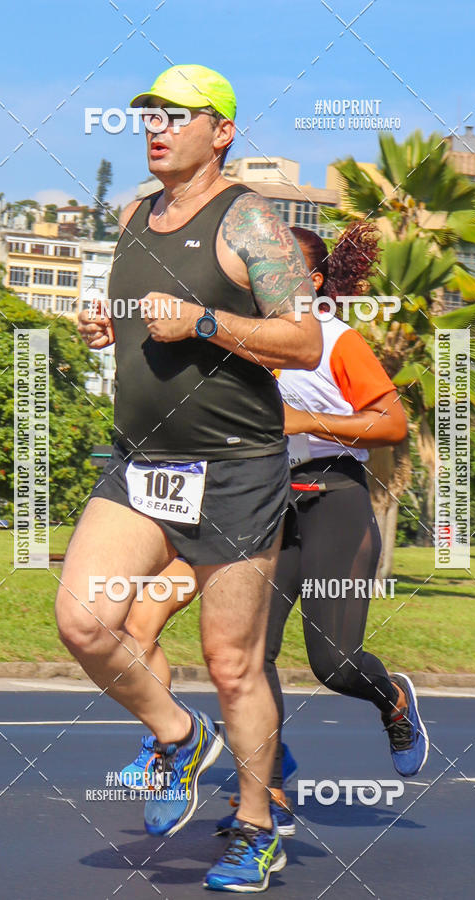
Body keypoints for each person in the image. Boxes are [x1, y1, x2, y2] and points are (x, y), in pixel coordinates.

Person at [56, 63, 322, 893]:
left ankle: (255, 827)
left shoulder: (251, 222)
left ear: (222, 131)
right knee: (84, 621)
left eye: (178, 115)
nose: (157, 128)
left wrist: (206, 321)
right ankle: (178, 735)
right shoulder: (133, 214)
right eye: (150, 115)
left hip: (236, 468)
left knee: (231, 662)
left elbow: (303, 342)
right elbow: (144, 319)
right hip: (144, 462)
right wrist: (109, 326)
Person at [125, 223, 430, 842]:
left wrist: (304, 421)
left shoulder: (337, 340)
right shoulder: (237, 339)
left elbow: (392, 424)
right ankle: (267, 797)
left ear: (309, 281)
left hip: (333, 496)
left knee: (334, 663)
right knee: (249, 659)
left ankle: (393, 699)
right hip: (261, 503)